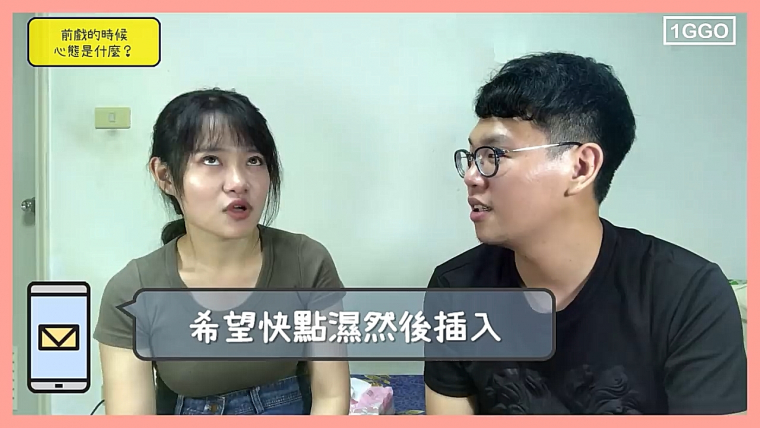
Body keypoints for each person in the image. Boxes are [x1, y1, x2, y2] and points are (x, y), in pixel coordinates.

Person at [423, 52, 747, 415]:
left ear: (581, 167)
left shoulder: (687, 295)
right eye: (471, 157)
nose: (471, 176)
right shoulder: (457, 290)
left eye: (493, 155)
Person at [94, 88, 351, 415]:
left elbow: (331, 398)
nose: (238, 182)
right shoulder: (133, 290)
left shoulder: (307, 262)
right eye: (211, 160)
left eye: (254, 160)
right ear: (165, 176)